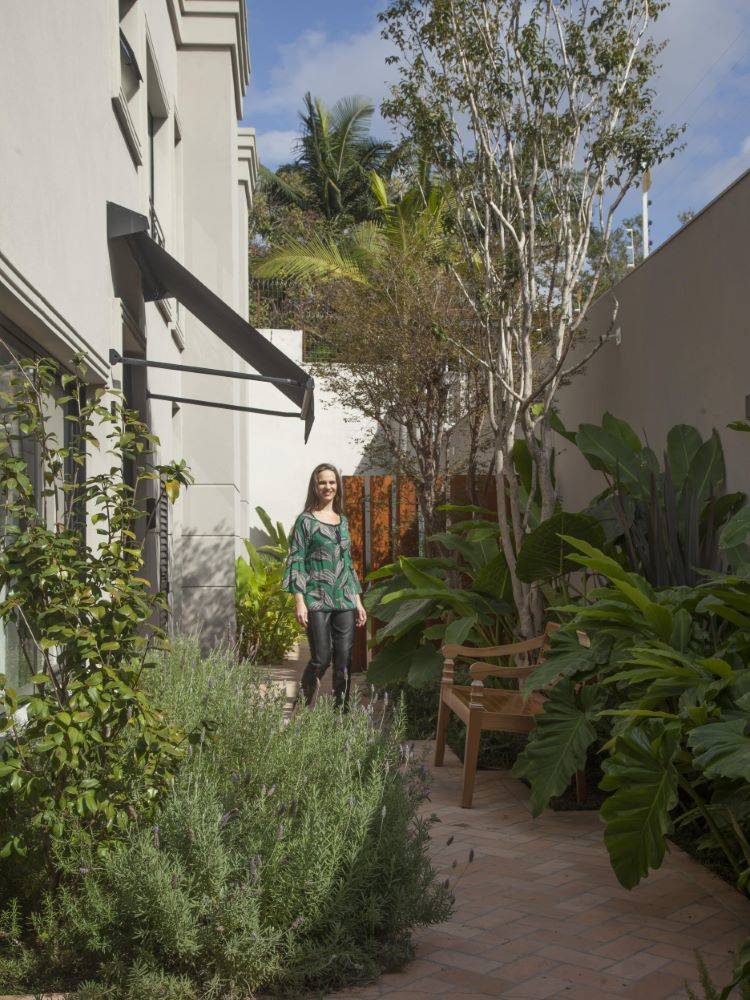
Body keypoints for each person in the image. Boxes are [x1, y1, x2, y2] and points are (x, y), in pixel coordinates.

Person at [283, 463, 367, 708]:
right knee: (321, 658)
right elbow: (296, 560)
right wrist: (300, 602)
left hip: (344, 599)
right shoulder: (305, 521)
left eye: (332, 482)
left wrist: (357, 601)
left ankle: (341, 713)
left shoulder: (342, 521)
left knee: (344, 660)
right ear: (315, 486)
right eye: (322, 482)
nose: (327, 486)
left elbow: (347, 563)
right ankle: (301, 708)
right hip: (316, 598)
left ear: (337, 485)